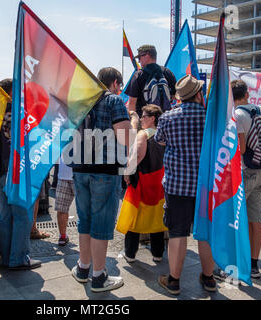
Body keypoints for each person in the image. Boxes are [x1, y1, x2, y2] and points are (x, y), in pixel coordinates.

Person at [69, 67, 131, 293]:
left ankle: (83, 267)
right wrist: (131, 121)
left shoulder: (80, 102)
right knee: (101, 224)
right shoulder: (114, 101)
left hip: (79, 168)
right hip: (104, 170)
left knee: (84, 220)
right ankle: (98, 276)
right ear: (115, 82)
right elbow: (124, 136)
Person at [154, 75, 216, 295]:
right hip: (205, 186)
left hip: (177, 185)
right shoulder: (211, 118)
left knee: (178, 233)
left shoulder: (168, 118)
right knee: (205, 233)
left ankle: (173, 281)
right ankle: (209, 278)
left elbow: (159, 141)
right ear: (199, 94)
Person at [215, 80, 261, 281]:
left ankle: (232, 267)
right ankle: (254, 265)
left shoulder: (238, 115)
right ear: (246, 94)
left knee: (235, 219)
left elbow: (241, 149)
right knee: (255, 219)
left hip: (245, 172)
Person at [0, 78, 41, 270]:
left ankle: (6, 257)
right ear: (11, 92)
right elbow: (21, 139)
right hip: (15, 170)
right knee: (22, 214)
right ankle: (19, 258)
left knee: (5, 214)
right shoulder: (15, 111)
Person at [118, 104, 167, 263]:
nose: (142, 119)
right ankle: (158, 254)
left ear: (153, 118)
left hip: (142, 180)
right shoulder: (164, 134)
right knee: (157, 218)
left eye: (144, 116)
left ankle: (130, 254)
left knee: (134, 216)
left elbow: (138, 155)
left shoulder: (143, 134)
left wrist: (127, 171)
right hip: (159, 181)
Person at [124, 44, 176, 123]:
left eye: (140, 57)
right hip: (165, 121)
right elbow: (176, 96)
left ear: (147, 55)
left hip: (145, 123)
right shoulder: (167, 73)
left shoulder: (139, 75)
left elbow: (132, 103)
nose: (139, 61)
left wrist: (134, 123)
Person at [55, 154, 75, 246]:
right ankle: (62, 236)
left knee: (86, 210)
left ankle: (90, 239)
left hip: (79, 175)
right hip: (65, 175)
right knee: (62, 209)